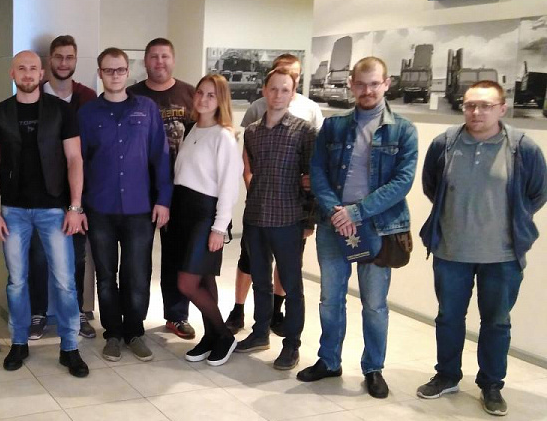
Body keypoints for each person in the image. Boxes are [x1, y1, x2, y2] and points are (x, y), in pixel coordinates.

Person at [416, 81, 547, 415]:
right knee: (448, 318)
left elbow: (537, 193)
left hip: (502, 256)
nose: (476, 112)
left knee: (497, 322)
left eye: (485, 106)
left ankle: (491, 384)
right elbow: (432, 186)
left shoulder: (523, 148)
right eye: (470, 105)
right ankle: (447, 375)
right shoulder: (445, 143)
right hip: (451, 252)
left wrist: (513, 220)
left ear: (502, 108)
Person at [298, 56, 418, 399]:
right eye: (361, 84)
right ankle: (329, 361)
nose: (367, 91)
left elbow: (403, 181)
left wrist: (358, 212)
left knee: (375, 304)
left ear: (387, 84)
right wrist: (336, 210)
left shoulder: (404, 130)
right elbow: (317, 170)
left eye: (374, 84)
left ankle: (373, 368)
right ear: (351, 84)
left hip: (379, 227)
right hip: (333, 225)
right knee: (330, 299)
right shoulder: (334, 127)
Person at [0, 50, 89, 378]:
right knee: (17, 282)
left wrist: (75, 207)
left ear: (41, 73)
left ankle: (69, 348)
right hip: (13, 210)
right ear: (12, 73)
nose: (27, 73)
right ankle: (19, 343)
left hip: (54, 208)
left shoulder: (61, 111)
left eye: (33, 68)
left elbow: (74, 159)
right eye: (21, 68)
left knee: (65, 282)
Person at [79, 48, 171, 363]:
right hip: (100, 208)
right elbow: (79, 163)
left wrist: (163, 199)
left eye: (120, 70)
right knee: (106, 276)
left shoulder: (146, 109)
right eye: (109, 70)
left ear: (128, 71)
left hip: (139, 208)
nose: (115, 75)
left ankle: (134, 332)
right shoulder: (88, 113)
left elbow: (160, 156)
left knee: (137, 274)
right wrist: (78, 206)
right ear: (100, 73)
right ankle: (113, 334)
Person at [226, 53, 324, 334]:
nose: (278, 95)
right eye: (273, 89)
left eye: (285, 90)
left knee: (292, 284)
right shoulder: (253, 132)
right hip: (257, 217)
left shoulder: (305, 131)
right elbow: (250, 169)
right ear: (264, 91)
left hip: (289, 218)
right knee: (259, 279)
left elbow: (312, 179)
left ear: (293, 93)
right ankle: (259, 333)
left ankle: (291, 342)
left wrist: (309, 221)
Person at [29, 35, 98, 340]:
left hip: (78, 193)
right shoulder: (33, 95)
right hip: (40, 193)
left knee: (77, 256)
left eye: (69, 57)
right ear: (49, 60)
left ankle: (79, 312)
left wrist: (80, 200)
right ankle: (38, 313)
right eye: (58, 56)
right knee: (38, 256)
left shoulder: (88, 97)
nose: (63, 63)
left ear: (76, 60)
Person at [171, 74, 243, 366]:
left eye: (211, 95)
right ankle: (212, 335)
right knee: (203, 278)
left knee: (187, 283)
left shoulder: (223, 136)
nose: (203, 99)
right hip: (183, 210)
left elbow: (229, 185)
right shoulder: (191, 129)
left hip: (205, 214)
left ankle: (224, 335)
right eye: (200, 92)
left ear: (220, 100)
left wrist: (219, 227)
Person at [129, 38, 197, 339]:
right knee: (138, 258)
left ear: (173, 59)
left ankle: (176, 315)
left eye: (165, 56)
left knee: (176, 255)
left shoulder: (189, 94)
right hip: (140, 190)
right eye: (154, 57)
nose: (159, 62)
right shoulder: (132, 95)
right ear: (145, 61)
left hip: (181, 189)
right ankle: (134, 317)